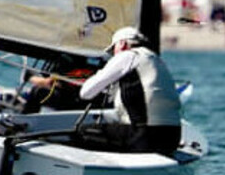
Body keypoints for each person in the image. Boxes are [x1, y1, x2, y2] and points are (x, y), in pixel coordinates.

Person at [75, 27, 183, 156]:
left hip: (146, 137)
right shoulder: (156, 59)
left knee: (84, 131)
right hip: (173, 137)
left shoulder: (128, 56)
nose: (113, 55)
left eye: (113, 50)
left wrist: (100, 74)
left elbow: (85, 93)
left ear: (122, 44)